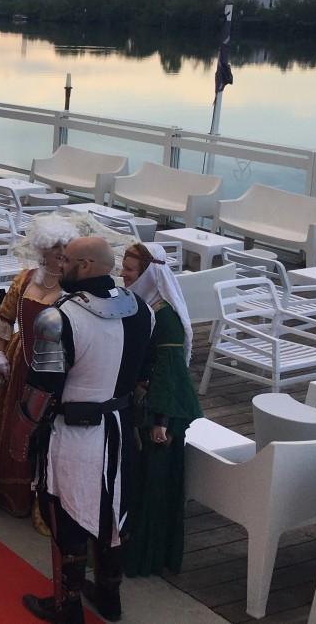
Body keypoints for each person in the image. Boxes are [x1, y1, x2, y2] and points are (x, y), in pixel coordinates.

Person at [21, 236, 155, 624]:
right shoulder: (142, 311)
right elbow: (144, 372)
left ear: (86, 266)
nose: (60, 266)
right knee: (113, 514)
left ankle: (67, 605)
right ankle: (110, 599)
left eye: (67, 261)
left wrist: (26, 427)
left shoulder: (58, 318)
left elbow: (41, 392)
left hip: (74, 433)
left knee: (69, 516)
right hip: (121, 429)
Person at [0, 214, 76, 519]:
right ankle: (6, 492)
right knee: (12, 428)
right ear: (43, 249)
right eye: (56, 246)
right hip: (18, 359)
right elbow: (4, 317)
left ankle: (38, 499)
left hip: (52, 368)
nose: (63, 251)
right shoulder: (25, 278)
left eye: (66, 246)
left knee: (40, 429)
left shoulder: (74, 287)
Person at [120, 241, 202, 578]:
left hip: (160, 415)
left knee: (154, 483)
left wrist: (161, 421)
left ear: (147, 274)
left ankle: (147, 556)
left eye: (128, 270)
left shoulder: (163, 316)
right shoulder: (148, 306)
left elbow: (169, 371)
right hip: (150, 406)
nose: (122, 276)